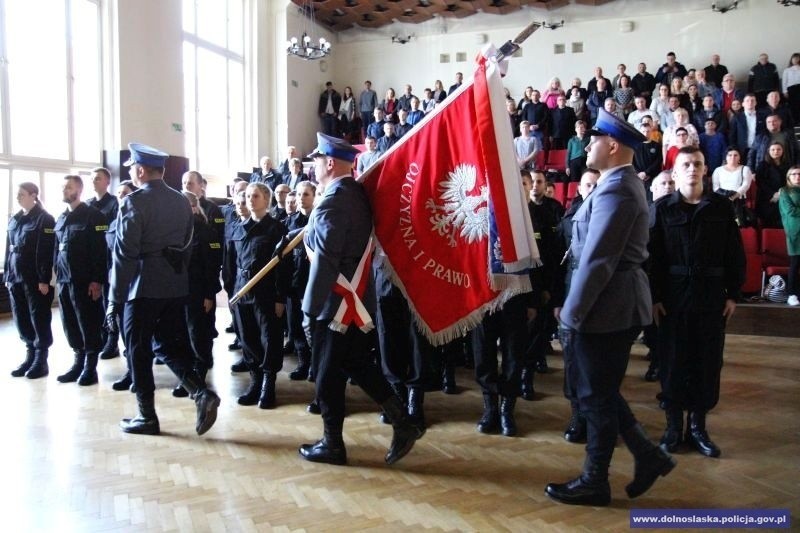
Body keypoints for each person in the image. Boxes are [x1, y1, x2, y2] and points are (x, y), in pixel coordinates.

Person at [545, 110, 675, 507]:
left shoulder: (618, 189)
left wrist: (572, 313)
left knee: (594, 397)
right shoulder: (614, 184)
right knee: (600, 390)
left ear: (613, 145)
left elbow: (598, 260)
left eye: (594, 139)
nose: (586, 144)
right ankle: (648, 456)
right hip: (609, 303)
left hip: (606, 306)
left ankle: (595, 480)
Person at [298, 132, 423, 466]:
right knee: (356, 363)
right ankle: (403, 420)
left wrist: (309, 310)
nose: (312, 166)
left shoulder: (335, 200)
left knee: (327, 375)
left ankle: (332, 444)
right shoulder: (351, 192)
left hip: (335, 303)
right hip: (354, 300)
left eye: (315, 161)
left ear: (329, 162)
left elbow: (326, 260)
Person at [106, 142, 220, 436]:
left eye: (132, 167)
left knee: (137, 350)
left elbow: (124, 254)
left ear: (141, 170)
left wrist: (114, 299)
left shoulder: (133, 202)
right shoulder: (182, 201)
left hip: (142, 288)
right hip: (174, 285)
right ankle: (201, 393)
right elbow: (186, 243)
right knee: (167, 345)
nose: (131, 172)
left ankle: (146, 416)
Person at [649, 146, 745, 458]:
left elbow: (734, 252)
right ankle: (673, 426)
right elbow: (651, 257)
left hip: (710, 297)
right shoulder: (662, 209)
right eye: (686, 164)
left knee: (707, 362)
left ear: (705, 170)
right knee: (673, 361)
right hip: (673, 299)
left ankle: (698, 427)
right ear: (675, 173)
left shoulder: (720, 207)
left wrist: (733, 294)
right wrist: (655, 297)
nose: (692, 169)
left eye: (698, 164)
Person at [227, 182, 291, 409]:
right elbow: (230, 264)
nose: (250, 200)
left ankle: (268, 384)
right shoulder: (237, 228)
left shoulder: (276, 229)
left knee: (269, 338)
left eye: (255, 196)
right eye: (247, 196)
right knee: (247, 337)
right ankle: (255, 381)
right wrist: (230, 292)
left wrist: (280, 298)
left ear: (266, 200)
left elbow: (284, 268)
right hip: (241, 291)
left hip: (265, 292)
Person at [551, 168, 599, 443]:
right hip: (571, 291)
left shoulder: (610, 216)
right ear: (579, 189)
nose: (590, 189)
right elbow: (558, 264)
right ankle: (577, 415)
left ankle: (596, 418)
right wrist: (558, 300)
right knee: (572, 358)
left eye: (595, 185)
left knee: (597, 360)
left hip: (601, 294)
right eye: (586, 185)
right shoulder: (568, 220)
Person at [53, 175, 108, 386]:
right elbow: (57, 250)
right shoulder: (61, 218)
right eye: (63, 187)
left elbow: (100, 251)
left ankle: (90, 367)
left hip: (85, 281)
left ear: (79, 190)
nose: (64, 191)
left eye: (68, 187)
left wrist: (97, 280)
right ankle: (78, 361)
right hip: (65, 280)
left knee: (88, 323)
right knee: (69, 323)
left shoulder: (94, 216)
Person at [171, 190, 222, 398]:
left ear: (193, 207)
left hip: (199, 293)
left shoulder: (207, 232)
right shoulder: (176, 231)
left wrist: (209, 294)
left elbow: (211, 267)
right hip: (179, 293)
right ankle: (188, 376)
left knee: (198, 335)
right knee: (181, 335)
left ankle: (199, 374)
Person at [5, 183, 55, 379]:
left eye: (22, 194)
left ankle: (41, 360)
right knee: (21, 317)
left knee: (39, 318)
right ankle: (30, 354)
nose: (18, 197)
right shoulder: (15, 219)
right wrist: (8, 275)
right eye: (17, 194)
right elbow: (8, 248)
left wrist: (44, 279)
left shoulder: (45, 219)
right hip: (15, 277)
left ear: (34, 195)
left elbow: (45, 252)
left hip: (34, 278)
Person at [107, 180, 139, 391]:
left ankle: (136, 374)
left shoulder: (137, 220)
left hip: (134, 285)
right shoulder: (113, 223)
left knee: (134, 335)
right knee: (121, 331)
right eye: (118, 193)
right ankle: (131, 371)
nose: (121, 197)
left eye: (125, 193)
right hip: (114, 282)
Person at [88, 167, 122, 361]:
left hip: (108, 260)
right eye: (92, 179)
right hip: (92, 261)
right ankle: (100, 338)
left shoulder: (114, 204)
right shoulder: (88, 205)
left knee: (109, 303)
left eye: (98, 178)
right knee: (95, 306)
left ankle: (112, 339)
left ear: (107, 182)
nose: (94, 181)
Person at [284, 181, 315, 380]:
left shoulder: (318, 219)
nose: (302, 198)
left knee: (312, 326)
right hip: (293, 281)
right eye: (300, 195)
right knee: (295, 325)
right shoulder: (289, 222)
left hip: (313, 280)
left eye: (306, 194)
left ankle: (315, 365)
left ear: (314, 197)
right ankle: (303, 362)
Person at [756, 142, 791, 228]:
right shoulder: (763, 165)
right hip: (766, 196)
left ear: (783, 151)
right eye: (773, 149)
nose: (776, 152)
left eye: (779, 149)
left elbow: (790, 181)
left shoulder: (788, 165)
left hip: (783, 194)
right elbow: (760, 182)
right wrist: (773, 194)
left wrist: (779, 194)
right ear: (769, 151)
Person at [779, 166, 800, 306]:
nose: (797, 177)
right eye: (794, 174)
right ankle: (792, 294)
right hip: (795, 230)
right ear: (788, 177)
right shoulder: (785, 191)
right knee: (795, 263)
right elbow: (790, 211)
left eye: (799, 174)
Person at [783, 53, 800, 123]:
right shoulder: (787, 70)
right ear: (791, 60)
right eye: (794, 58)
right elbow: (784, 81)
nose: (795, 60)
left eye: (797, 58)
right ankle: (795, 121)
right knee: (793, 106)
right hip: (791, 89)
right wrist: (785, 91)